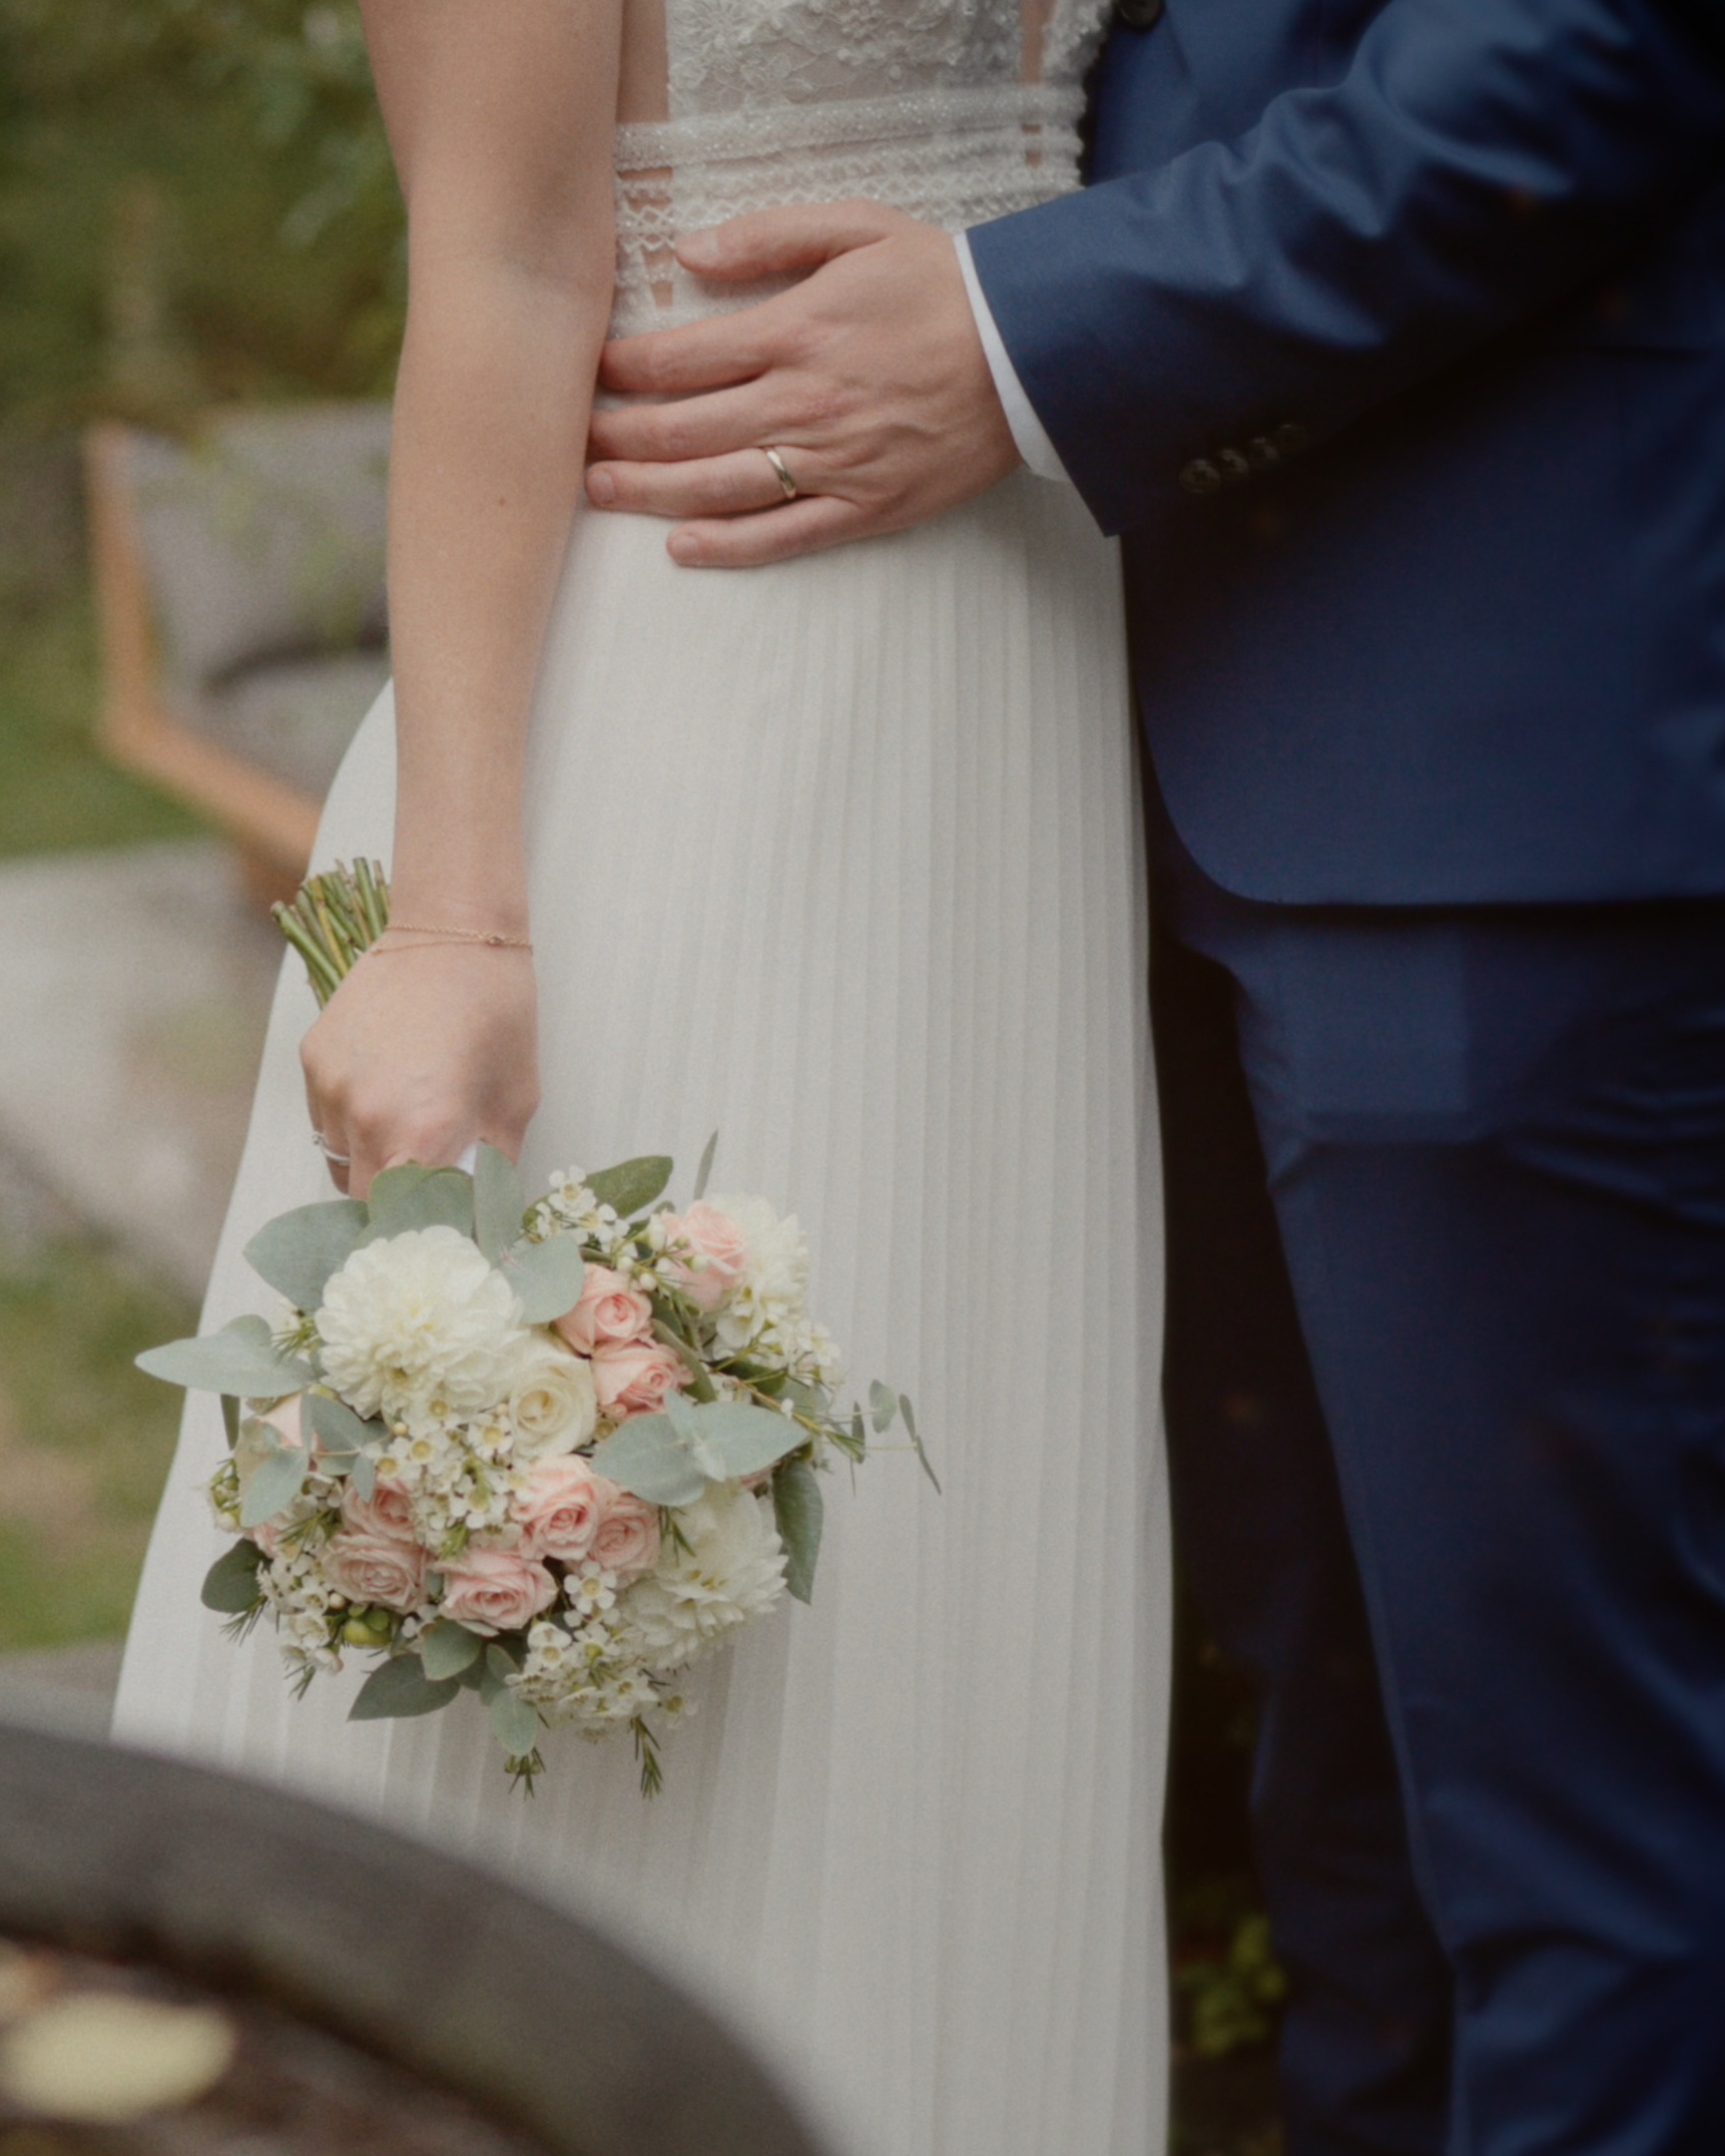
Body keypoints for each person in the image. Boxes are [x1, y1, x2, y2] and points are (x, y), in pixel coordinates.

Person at [578, 0, 1725, 2148]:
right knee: (1341, 1759)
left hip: (1495, 735)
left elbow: (1579, 42)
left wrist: (1021, 330)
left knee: (1568, 1791)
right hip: (1085, 740)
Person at [112, 5, 1170, 2153]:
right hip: (704, 686)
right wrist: (457, 923)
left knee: (952, 1634)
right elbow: (496, 257)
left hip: (1028, 703)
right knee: (641, 1619)